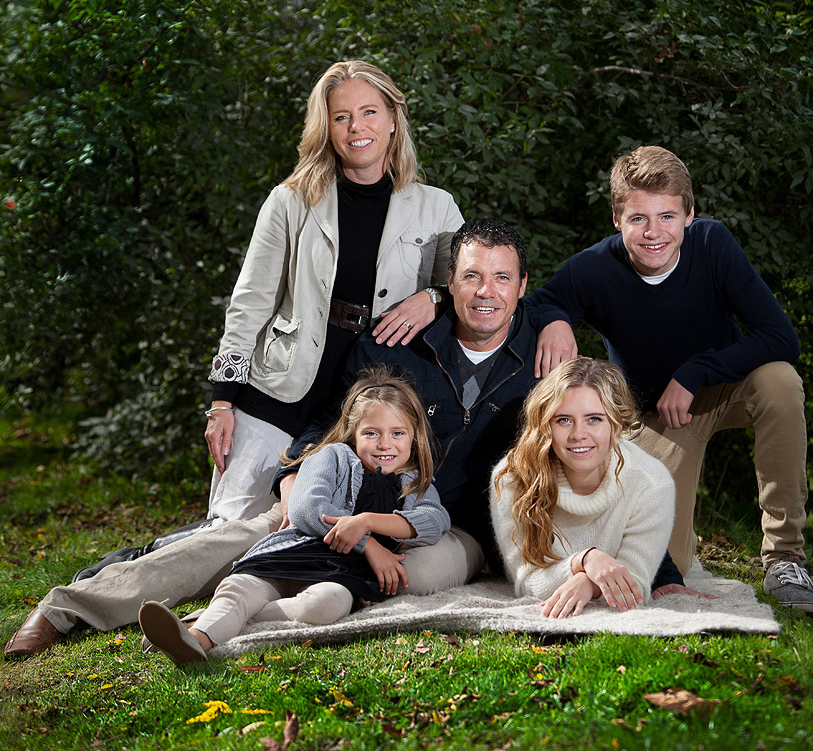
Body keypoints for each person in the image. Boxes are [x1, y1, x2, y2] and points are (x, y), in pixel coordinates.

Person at [2, 218, 678, 659]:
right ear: (448, 283)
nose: (485, 293)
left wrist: (661, 569)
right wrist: (300, 472)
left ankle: (248, 617)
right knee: (244, 536)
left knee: (424, 573)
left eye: (501, 278)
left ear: (522, 287)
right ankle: (70, 610)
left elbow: (595, 452)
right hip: (346, 496)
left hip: (454, 528)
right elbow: (331, 416)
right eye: (470, 276)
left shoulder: (544, 356)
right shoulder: (401, 340)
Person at [525, 145, 812, 613]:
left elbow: (781, 338)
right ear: (617, 217)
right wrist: (556, 318)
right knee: (662, 566)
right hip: (660, 414)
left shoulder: (712, 244)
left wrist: (697, 371)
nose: (654, 233)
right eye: (638, 218)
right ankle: (683, 539)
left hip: (726, 388)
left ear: (690, 216)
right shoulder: (593, 268)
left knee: (780, 381)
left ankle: (784, 556)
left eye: (668, 217)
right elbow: (534, 304)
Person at [205, 58, 462, 520]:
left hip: (366, 400)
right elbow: (249, 303)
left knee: (318, 524)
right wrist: (222, 401)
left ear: (392, 120)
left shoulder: (437, 207)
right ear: (326, 129)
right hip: (281, 384)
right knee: (234, 520)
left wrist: (434, 297)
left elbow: (468, 290)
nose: (355, 127)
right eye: (341, 117)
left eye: (368, 112)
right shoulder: (290, 200)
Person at [138, 369, 449, 665]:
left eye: (398, 433)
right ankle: (194, 641)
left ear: (414, 438)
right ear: (353, 434)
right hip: (288, 555)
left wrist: (365, 521)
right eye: (371, 433)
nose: (385, 444)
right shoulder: (332, 455)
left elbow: (435, 521)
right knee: (244, 589)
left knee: (328, 605)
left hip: (339, 574)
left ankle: (211, 619)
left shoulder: (414, 481)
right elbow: (305, 509)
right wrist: (369, 545)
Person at [490, 358, 675, 618]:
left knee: (683, 564)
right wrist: (584, 560)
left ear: (617, 423)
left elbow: (635, 589)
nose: (579, 434)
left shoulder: (652, 483)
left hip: (649, 533)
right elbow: (526, 582)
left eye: (594, 419)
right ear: (545, 425)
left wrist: (587, 583)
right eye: (564, 420)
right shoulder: (512, 478)